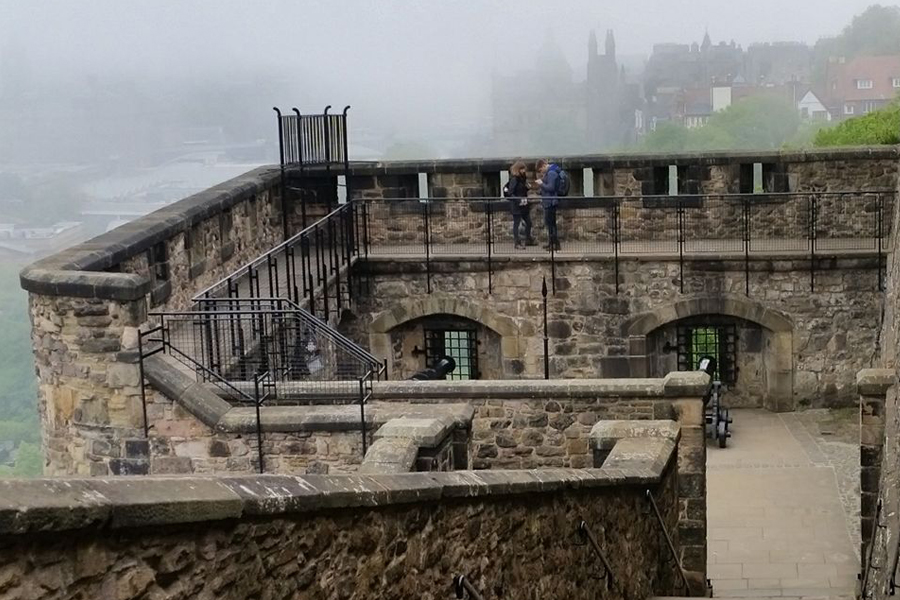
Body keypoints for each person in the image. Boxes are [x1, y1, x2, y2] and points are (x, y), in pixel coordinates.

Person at [505, 161, 534, 249]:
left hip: (524, 204)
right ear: (518, 169)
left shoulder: (522, 178)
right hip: (517, 205)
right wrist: (518, 200)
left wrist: (527, 188)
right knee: (517, 224)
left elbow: (522, 190)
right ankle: (517, 243)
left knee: (528, 222)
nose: (524, 170)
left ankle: (528, 239)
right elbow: (511, 193)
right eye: (522, 169)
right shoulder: (514, 179)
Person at [535, 159, 561, 251]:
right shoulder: (550, 173)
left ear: (543, 166)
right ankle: (552, 243)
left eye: (541, 170)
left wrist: (541, 184)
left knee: (551, 224)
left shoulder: (551, 173)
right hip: (548, 201)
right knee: (550, 223)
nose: (541, 172)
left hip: (551, 202)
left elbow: (551, 187)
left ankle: (554, 244)